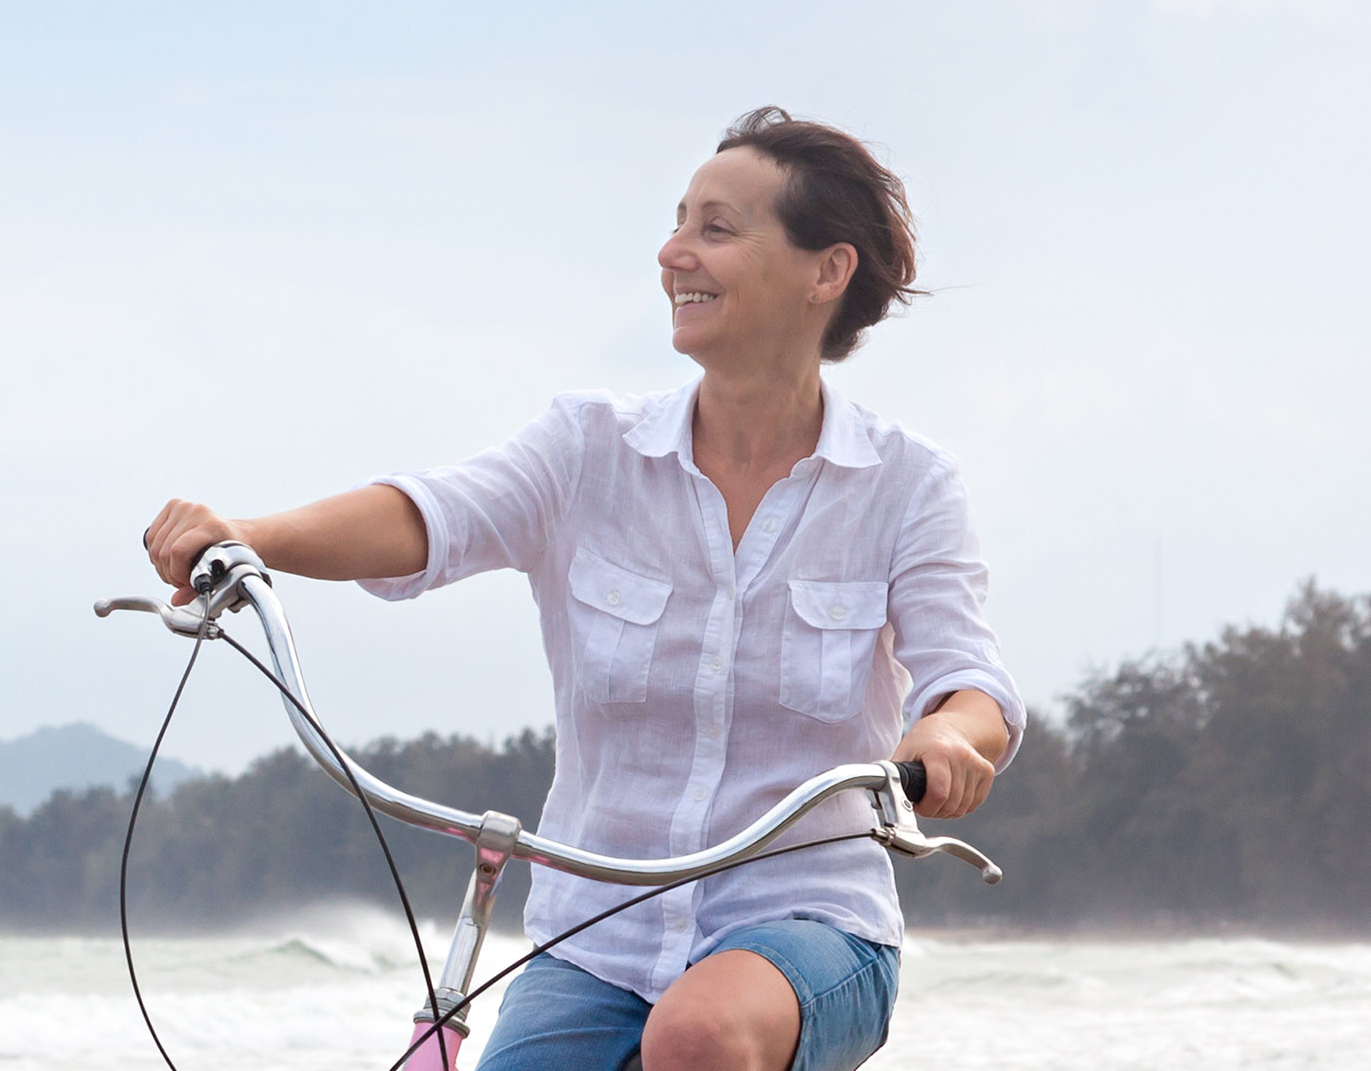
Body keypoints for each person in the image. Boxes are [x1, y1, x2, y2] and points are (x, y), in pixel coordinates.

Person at [141, 106, 1024, 1071]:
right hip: (594, 941)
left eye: (715, 230)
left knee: (697, 1035)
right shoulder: (587, 449)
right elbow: (430, 516)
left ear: (827, 271)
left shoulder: (906, 485)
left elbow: (969, 681)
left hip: (809, 921)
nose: (672, 253)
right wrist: (250, 539)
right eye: (677, 221)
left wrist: (947, 736)